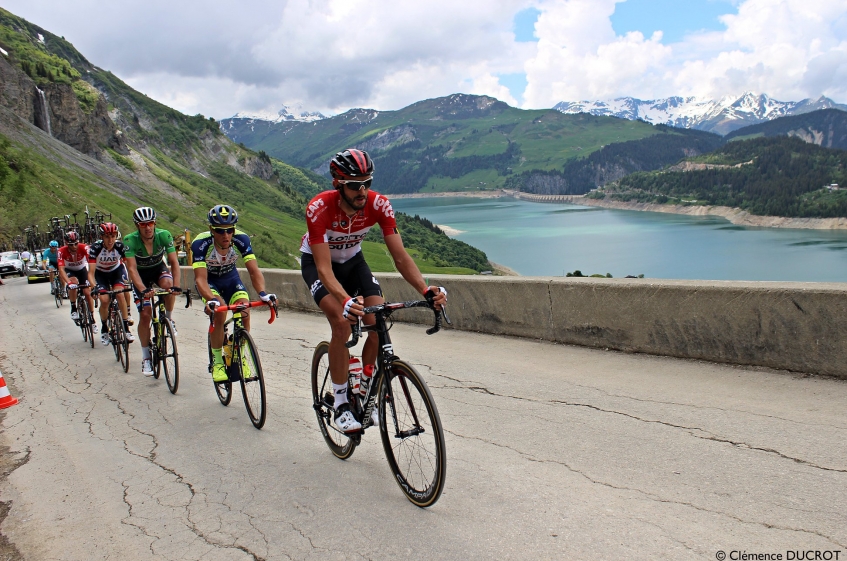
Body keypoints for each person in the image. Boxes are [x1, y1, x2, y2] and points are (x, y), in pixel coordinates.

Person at [299, 148, 446, 433]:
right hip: (320, 265)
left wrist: (426, 290)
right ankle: (341, 404)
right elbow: (325, 270)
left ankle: (367, 390)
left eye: (367, 182)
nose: (362, 190)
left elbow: (401, 258)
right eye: (355, 185)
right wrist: (344, 300)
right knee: (342, 322)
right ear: (338, 184)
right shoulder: (319, 208)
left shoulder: (379, 205)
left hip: (354, 262)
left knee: (378, 322)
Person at [192, 205, 276, 382]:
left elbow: (253, 270)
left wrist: (262, 293)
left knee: (244, 311)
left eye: (230, 230)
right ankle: (217, 362)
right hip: (210, 281)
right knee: (220, 311)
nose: (226, 235)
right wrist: (210, 299)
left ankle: (240, 354)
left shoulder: (241, 239)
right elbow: (200, 279)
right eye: (220, 231)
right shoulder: (201, 243)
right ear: (211, 230)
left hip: (231, 278)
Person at [123, 207, 181, 376]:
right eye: (143, 224)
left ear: (155, 223)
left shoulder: (164, 235)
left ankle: (168, 319)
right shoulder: (130, 240)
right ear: (137, 226)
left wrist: (176, 286)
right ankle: (146, 357)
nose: (148, 227)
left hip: (157, 269)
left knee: (168, 286)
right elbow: (132, 269)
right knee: (146, 313)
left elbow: (174, 262)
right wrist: (143, 289)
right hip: (140, 275)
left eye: (150, 223)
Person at [88, 223, 135, 345]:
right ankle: (104, 328)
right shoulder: (95, 248)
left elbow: (130, 266)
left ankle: (126, 329)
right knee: (104, 300)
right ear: (102, 237)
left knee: (120, 294)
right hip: (100, 274)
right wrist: (93, 287)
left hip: (116, 271)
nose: (110, 240)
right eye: (107, 237)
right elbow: (91, 273)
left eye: (113, 236)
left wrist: (132, 281)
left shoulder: (120, 246)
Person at [58, 231, 96, 330]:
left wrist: (92, 280)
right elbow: (61, 269)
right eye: (71, 244)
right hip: (69, 270)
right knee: (73, 282)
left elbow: (92, 264)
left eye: (76, 243)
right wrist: (68, 283)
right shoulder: (61, 251)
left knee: (87, 292)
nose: (74, 246)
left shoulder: (84, 247)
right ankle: (73, 308)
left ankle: (92, 319)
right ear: (66, 244)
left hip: (82, 269)